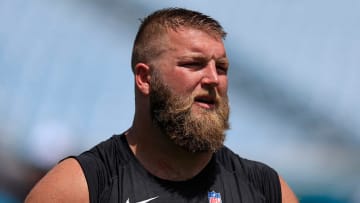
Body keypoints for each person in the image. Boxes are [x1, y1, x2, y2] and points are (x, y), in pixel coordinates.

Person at [25, 7, 298, 203]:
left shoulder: (266, 189)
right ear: (145, 78)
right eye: (194, 64)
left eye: (222, 68)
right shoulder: (80, 188)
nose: (214, 79)